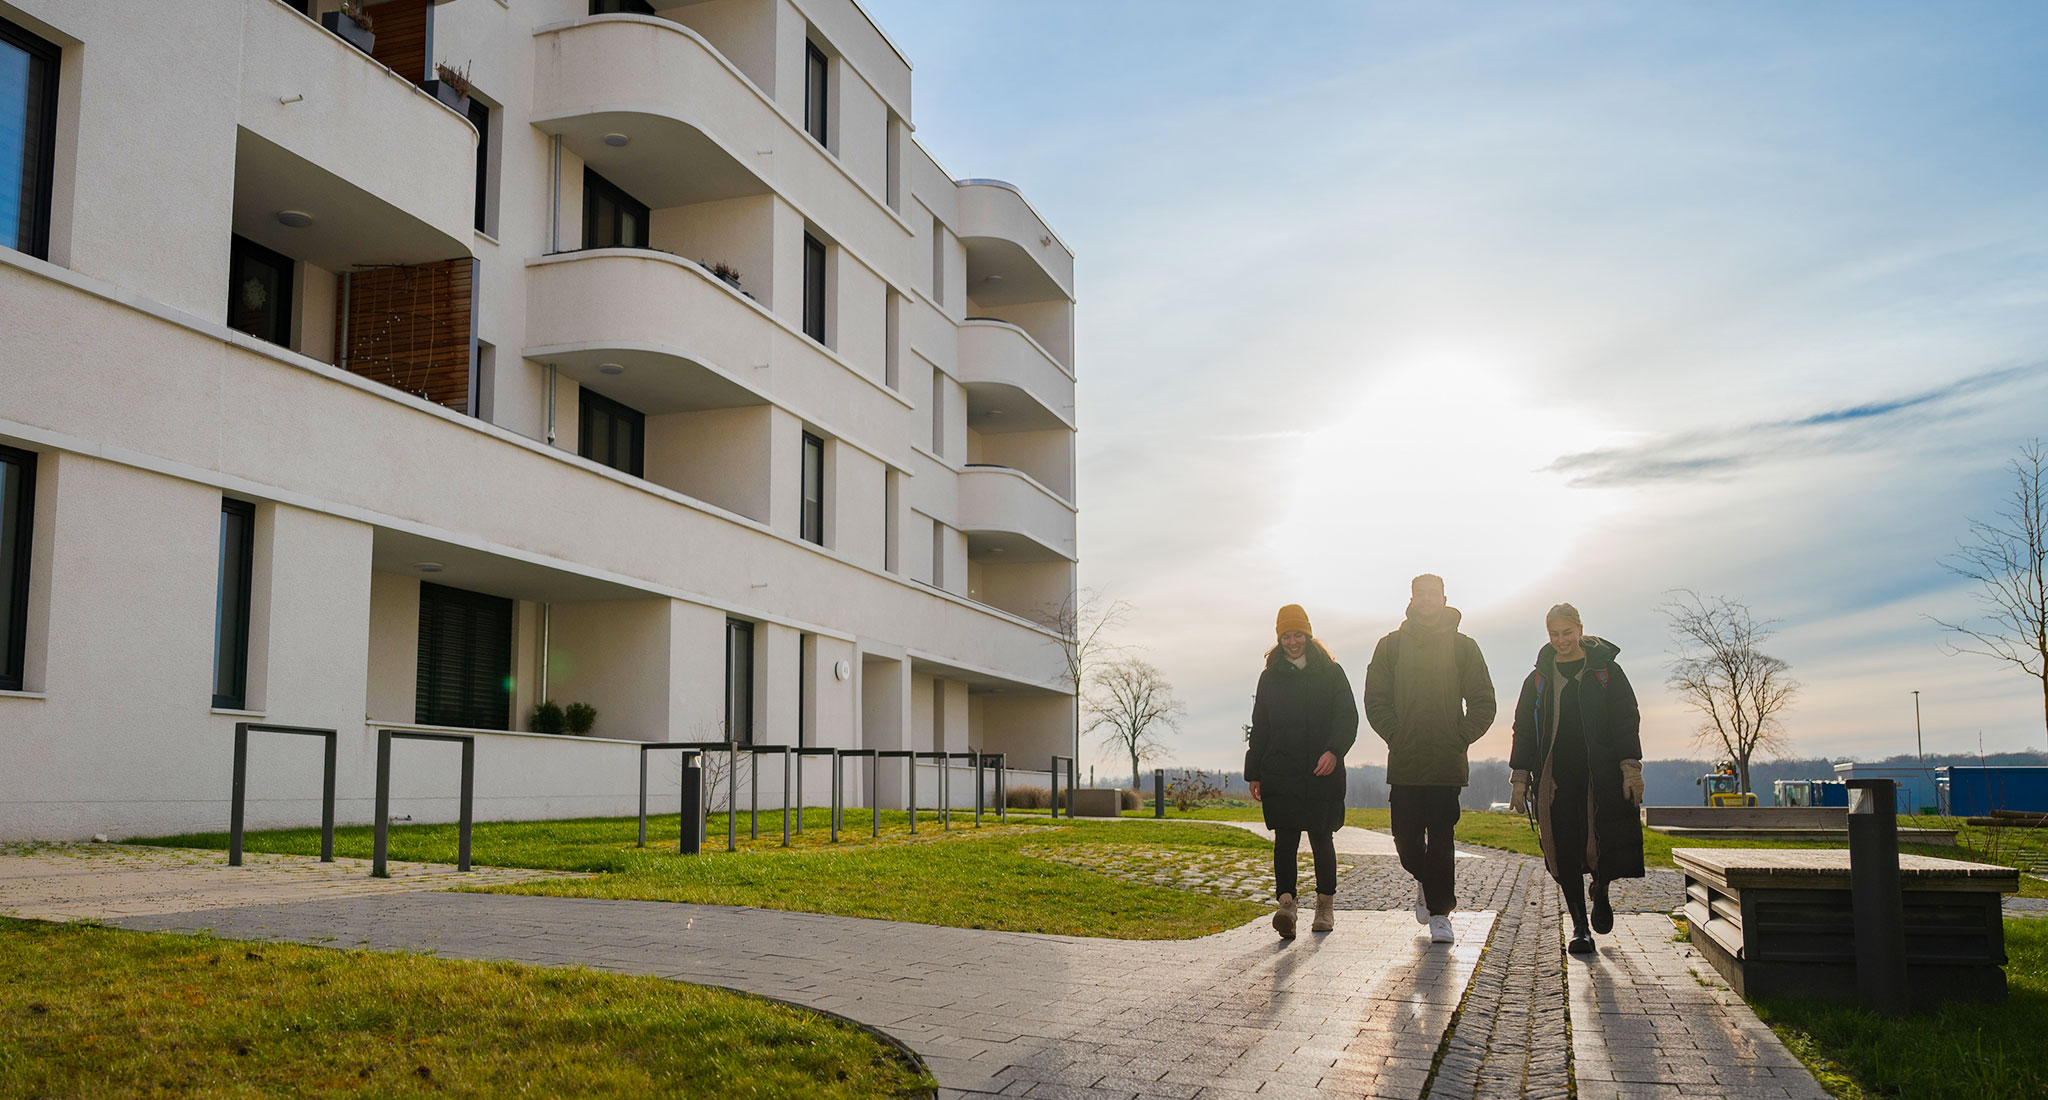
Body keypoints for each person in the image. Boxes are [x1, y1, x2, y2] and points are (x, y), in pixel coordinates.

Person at [1362, 574, 1496, 944]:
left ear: (1443, 598)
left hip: (1445, 763)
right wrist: (1395, 734)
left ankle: (1441, 913)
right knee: (1405, 842)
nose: (1426, 601)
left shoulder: (1463, 647)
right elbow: (1375, 699)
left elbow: (1484, 701)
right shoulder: (1390, 646)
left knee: (1441, 840)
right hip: (1405, 761)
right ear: (1411, 599)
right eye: (1420, 595)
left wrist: (1460, 737)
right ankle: (1425, 881)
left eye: (1432, 595)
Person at [1508, 603, 1646, 955]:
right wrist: (1520, 780)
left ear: (1581, 630)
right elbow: (1523, 730)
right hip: (1556, 779)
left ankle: (1600, 889)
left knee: (1603, 842)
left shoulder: (1606, 673)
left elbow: (1626, 720)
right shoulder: (1537, 679)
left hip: (1599, 775)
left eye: (1567, 633)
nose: (1561, 640)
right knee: (1564, 850)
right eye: (1554, 635)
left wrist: (1631, 769)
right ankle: (1580, 928)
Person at [1245, 604, 1359, 939]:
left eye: (1297, 635)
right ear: (1278, 639)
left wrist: (1334, 752)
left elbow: (1347, 718)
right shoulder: (1270, 677)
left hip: (1321, 770)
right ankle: (1286, 906)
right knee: (1285, 840)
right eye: (1285, 636)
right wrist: (1255, 772)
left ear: (1308, 636)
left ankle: (1325, 907)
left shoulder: (1331, 673)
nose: (1292, 642)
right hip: (1280, 769)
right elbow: (1260, 727)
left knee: (1322, 838)